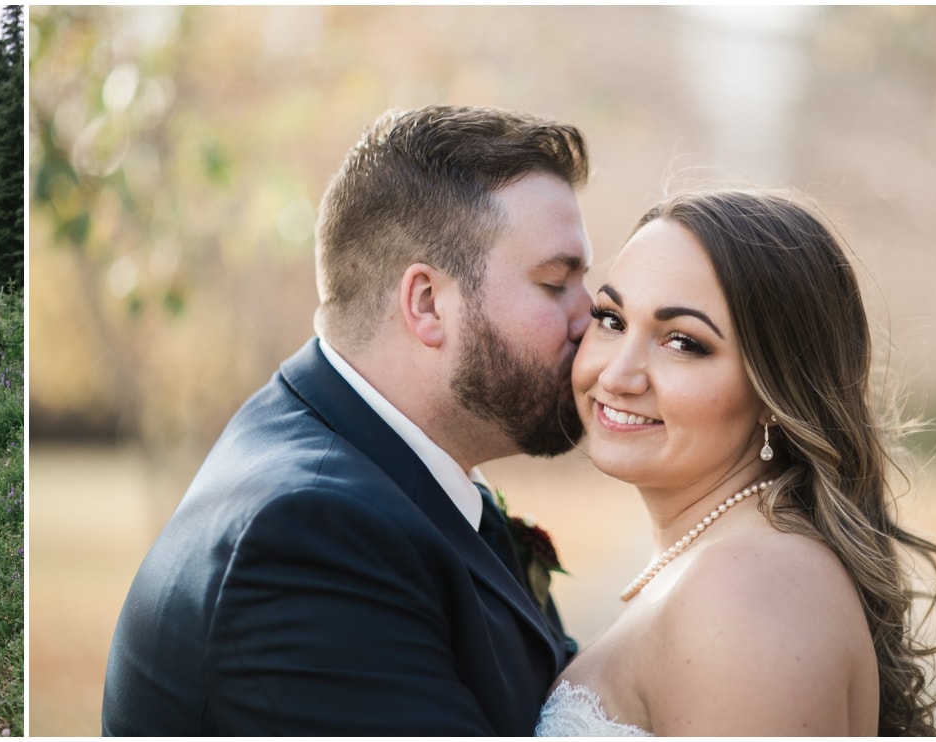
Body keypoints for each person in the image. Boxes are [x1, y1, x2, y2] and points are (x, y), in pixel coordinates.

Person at [101, 105, 595, 735]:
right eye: (557, 283)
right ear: (427, 303)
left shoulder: (378, 474)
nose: (594, 319)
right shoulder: (307, 539)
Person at [538, 189, 936, 735]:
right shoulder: (733, 562)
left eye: (683, 342)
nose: (617, 375)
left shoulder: (741, 595)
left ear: (774, 392)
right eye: (611, 319)